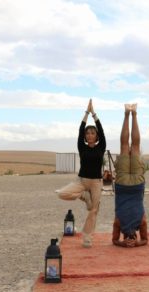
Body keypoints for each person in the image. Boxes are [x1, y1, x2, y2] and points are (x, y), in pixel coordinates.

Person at [57, 99, 106, 248]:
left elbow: (101, 129)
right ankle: (83, 195)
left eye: (92, 133)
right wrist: (86, 113)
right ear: (85, 137)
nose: (90, 135)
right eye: (88, 133)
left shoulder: (101, 147)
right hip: (82, 181)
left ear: (96, 136)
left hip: (96, 182)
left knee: (94, 210)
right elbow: (80, 129)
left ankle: (87, 237)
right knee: (62, 194)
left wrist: (94, 114)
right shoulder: (82, 147)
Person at [112, 104, 148, 248]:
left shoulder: (141, 222)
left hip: (136, 186)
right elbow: (115, 241)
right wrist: (124, 244)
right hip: (122, 185)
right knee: (125, 146)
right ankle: (128, 114)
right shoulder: (118, 223)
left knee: (135, 146)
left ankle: (133, 114)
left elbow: (145, 240)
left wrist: (137, 243)